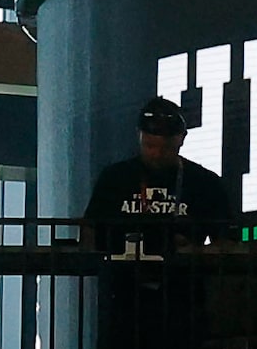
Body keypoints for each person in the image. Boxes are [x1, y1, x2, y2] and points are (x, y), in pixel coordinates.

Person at [82, 97, 238, 252]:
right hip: (122, 274)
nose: (157, 154)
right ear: (139, 135)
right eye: (150, 146)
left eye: (167, 148)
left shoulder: (205, 182)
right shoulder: (115, 178)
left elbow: (228, 243)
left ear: (182, 139)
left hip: (182, 275)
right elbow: (89, 232)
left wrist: (195, 254)